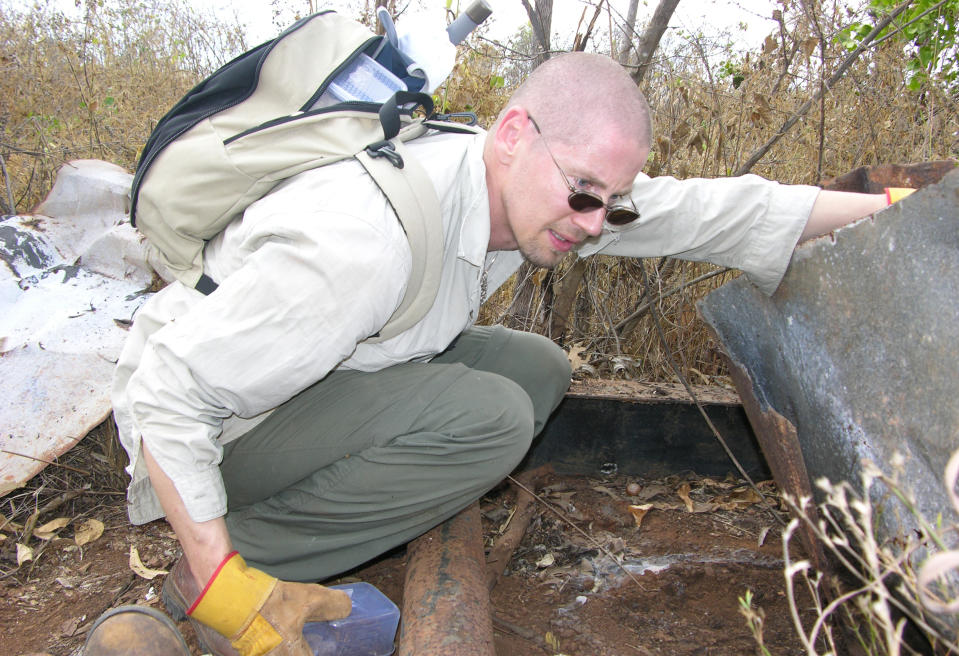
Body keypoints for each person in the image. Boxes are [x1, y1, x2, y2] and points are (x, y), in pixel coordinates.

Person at [111, 52, 889, 655]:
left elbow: (703, 212)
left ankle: (288, 530)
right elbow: (169, 394)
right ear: (514, 134)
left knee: (537, 368)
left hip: (309, 377)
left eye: (608, 201)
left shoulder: (517, 187)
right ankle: (233, 565)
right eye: (583, 192)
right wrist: (223, 585)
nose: (592, 222)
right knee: (488, 419)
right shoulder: (362, 242)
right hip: (211, 432)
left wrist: (896, 209)